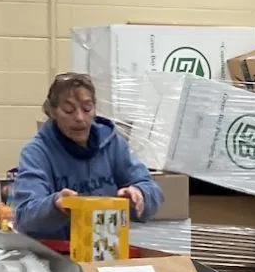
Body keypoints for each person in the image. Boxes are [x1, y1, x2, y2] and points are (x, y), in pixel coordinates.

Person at [11, 73, 161, 239]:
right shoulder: (37, 152)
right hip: (60, 254)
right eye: (69, 110)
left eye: (87, 108)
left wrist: (140, 193)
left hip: (108, 246)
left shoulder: (112, 143)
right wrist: (55, 205)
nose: (80, 118)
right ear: (53, 112)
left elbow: (151, 188)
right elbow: (25, 217)